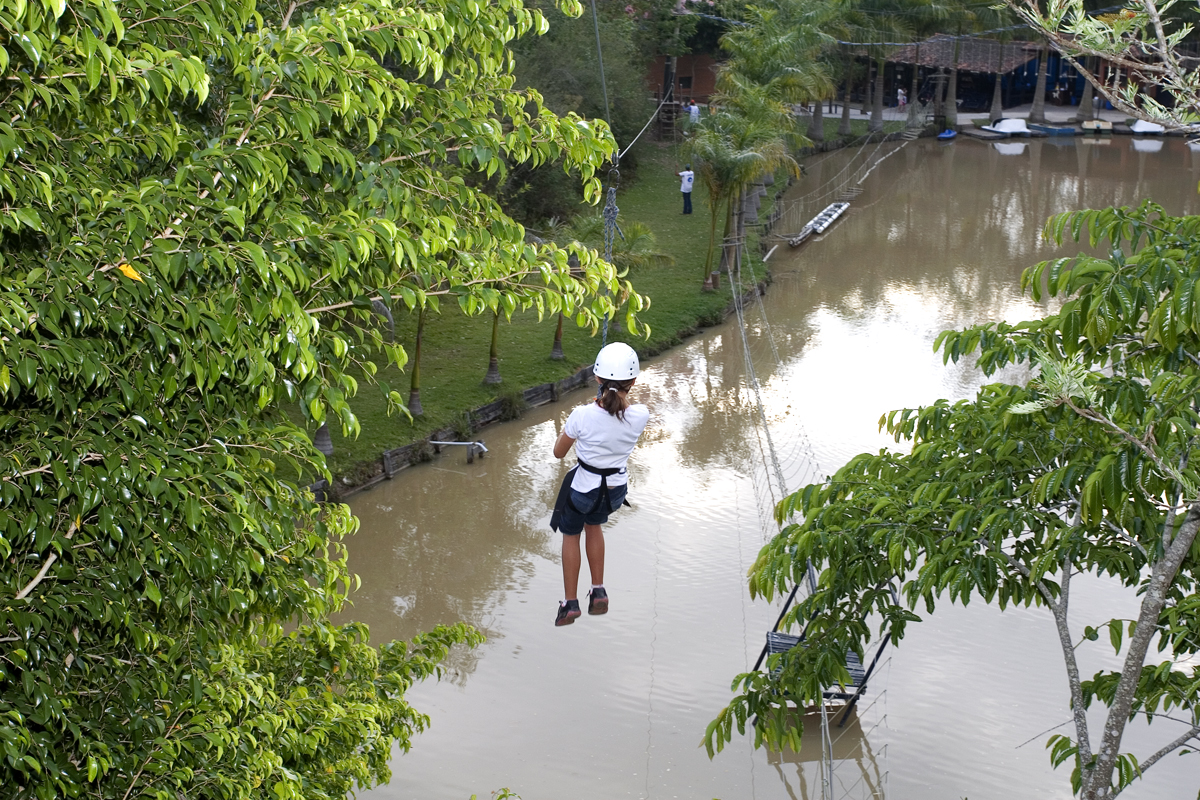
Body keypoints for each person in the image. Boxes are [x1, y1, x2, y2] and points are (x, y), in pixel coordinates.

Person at [549, 342, 649, 626]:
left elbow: (558, 452)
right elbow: (619, 411)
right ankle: (598, 589)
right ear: (633, 381)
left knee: (572, 534)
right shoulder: (640, 415)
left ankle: (570, 604)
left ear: (597, 378)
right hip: (614, 492)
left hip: (584, 489)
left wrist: (570, 427)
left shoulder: (582, 415)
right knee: (594, 525)